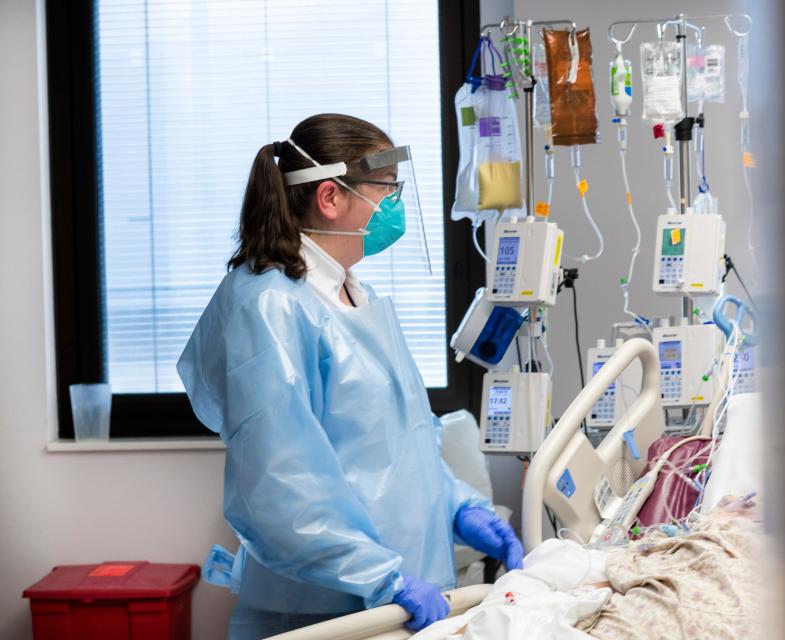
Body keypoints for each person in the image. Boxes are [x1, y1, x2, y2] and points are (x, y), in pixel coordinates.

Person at [177, 114, 524, 639]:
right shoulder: (269, 304)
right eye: (385, 189)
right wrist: (382, 578)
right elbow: (279, 484)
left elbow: (401, 447)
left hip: (389, 598)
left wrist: (460, 508)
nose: (395, 204)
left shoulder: (353, 295)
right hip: (324, 605)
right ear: (330, 198)